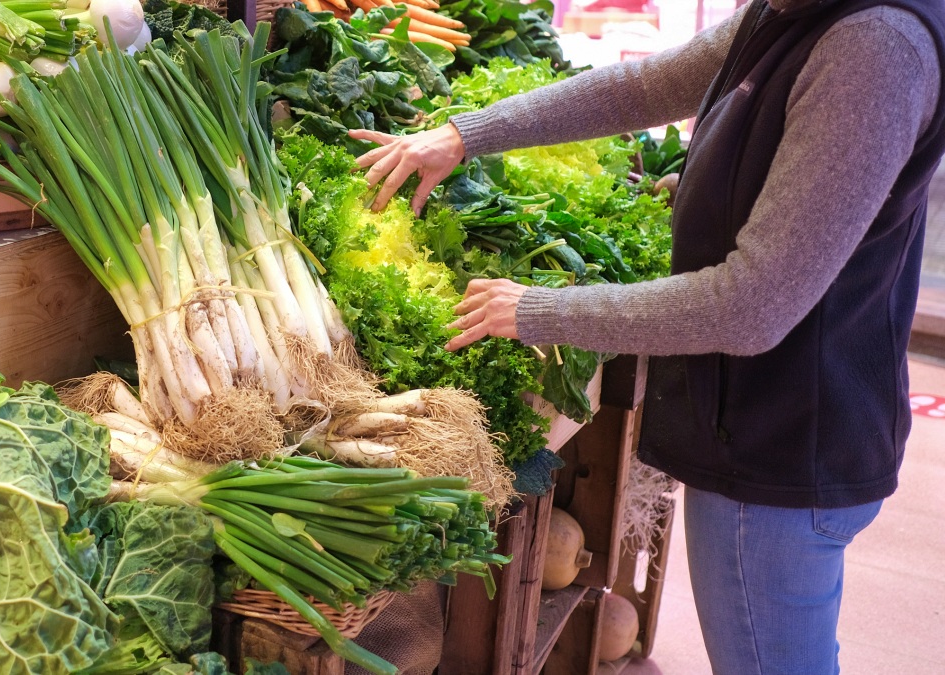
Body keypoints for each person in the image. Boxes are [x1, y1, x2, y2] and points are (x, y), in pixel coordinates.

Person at [349, 0, 945, 673]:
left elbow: (751, 306)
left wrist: (539, 310)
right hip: (771, 427)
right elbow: (646, 85)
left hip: (781, 451)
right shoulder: (795, 12)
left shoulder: (873, 48)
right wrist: (465, 134)